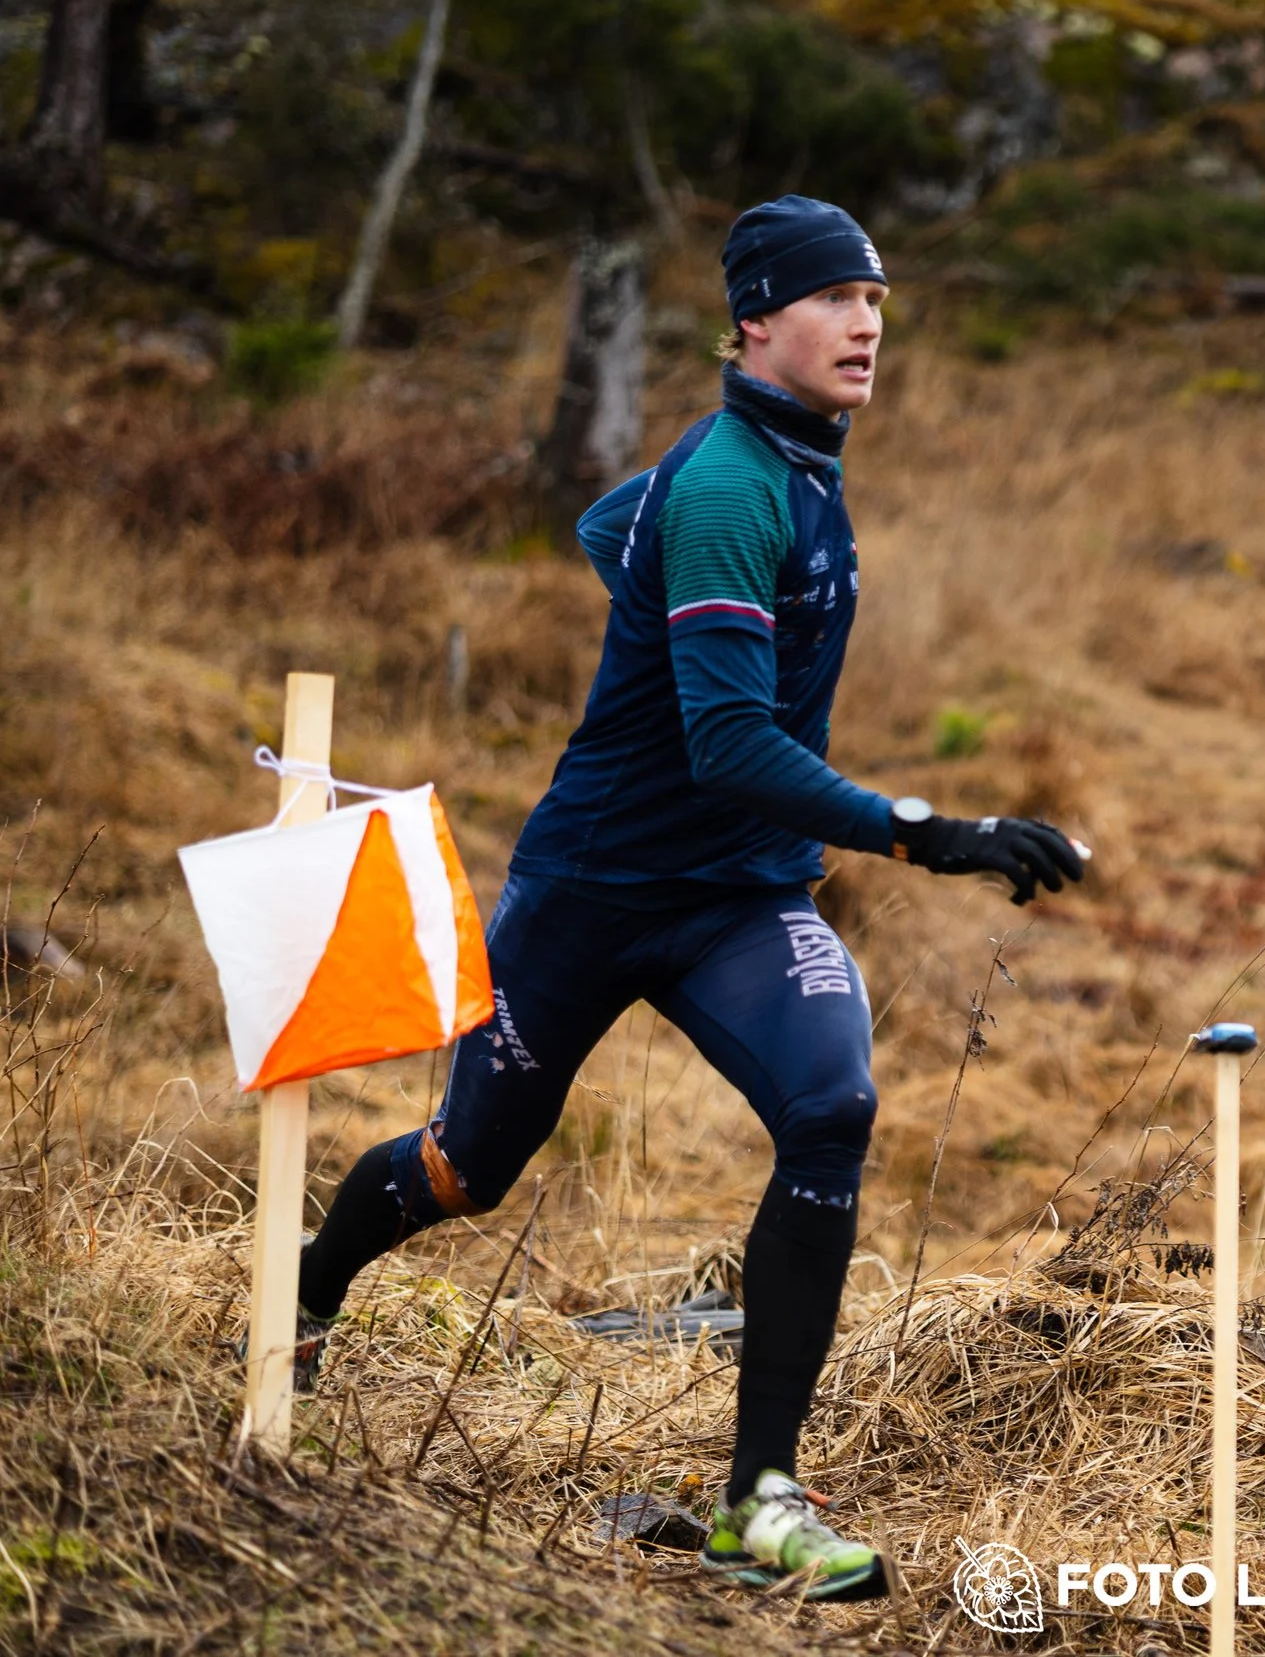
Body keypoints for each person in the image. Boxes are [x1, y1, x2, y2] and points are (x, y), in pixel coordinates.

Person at [291, 195, 1086, 1600]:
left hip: (738, 900)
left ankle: (758, 1497)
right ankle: (303, 1299)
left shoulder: (776, 468)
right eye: (837, 299)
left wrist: (647, 575)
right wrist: (931, 828)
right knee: (469, 1168)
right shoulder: (729, 485)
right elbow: (726, 743)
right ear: (755, 321)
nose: (867, 324)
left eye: (881, 301)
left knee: (833, 1106)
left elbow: (615, 528)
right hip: (592, 891)